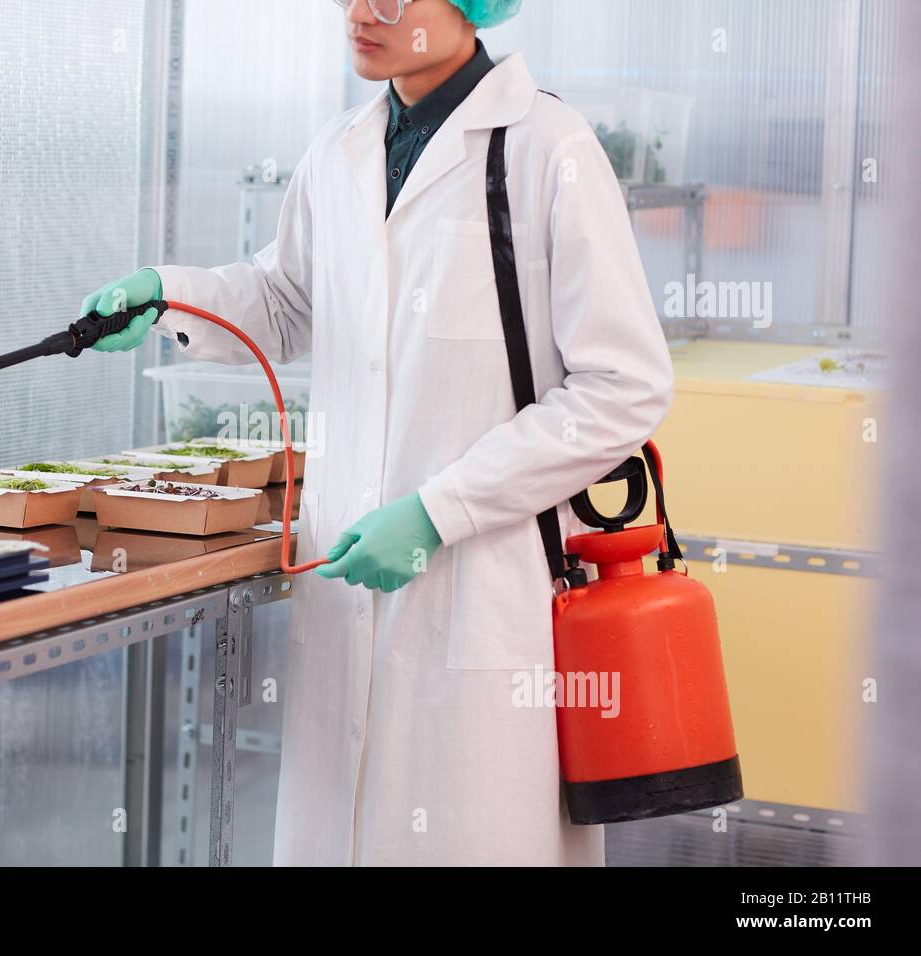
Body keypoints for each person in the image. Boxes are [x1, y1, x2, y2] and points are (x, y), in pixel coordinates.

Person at [81, 0, 673, 866]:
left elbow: (624, 387)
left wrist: (440, 510)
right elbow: (287, 304)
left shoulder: (550, 149)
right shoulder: (340, 151)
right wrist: (171, 295)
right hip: (347, 592)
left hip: (487, 594)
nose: (364, 11)